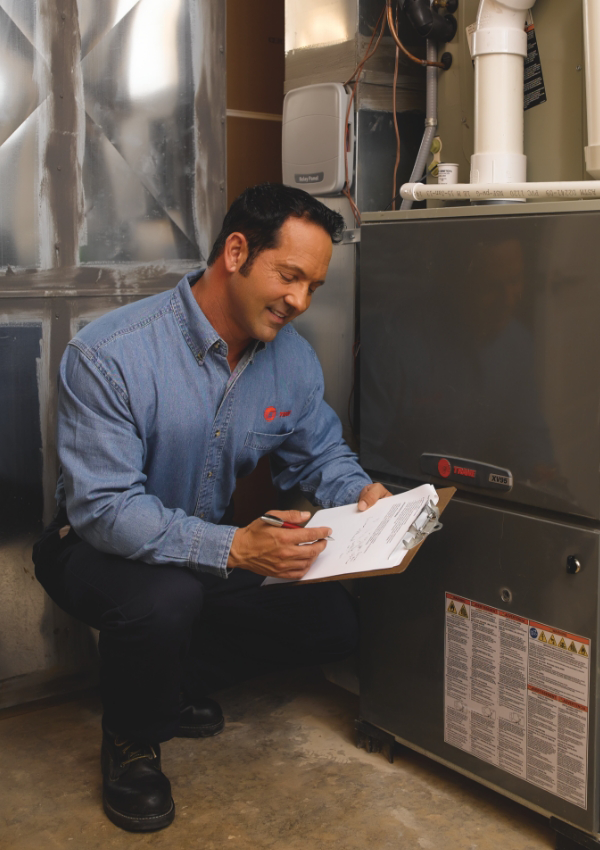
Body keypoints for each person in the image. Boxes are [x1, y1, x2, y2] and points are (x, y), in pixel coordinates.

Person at [33, 183, 390, 833]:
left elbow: (320, 458)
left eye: (314, 285)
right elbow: (106, 509)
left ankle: (163, 679)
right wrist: (233, 547)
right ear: (235, 252)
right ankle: (133, 741)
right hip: (90, 546)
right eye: (289, 276)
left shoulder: (292, 362)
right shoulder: (111, 354)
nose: (301, 302)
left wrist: (361, 496)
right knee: (164, 598)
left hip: (205, 547)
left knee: (333, 621)